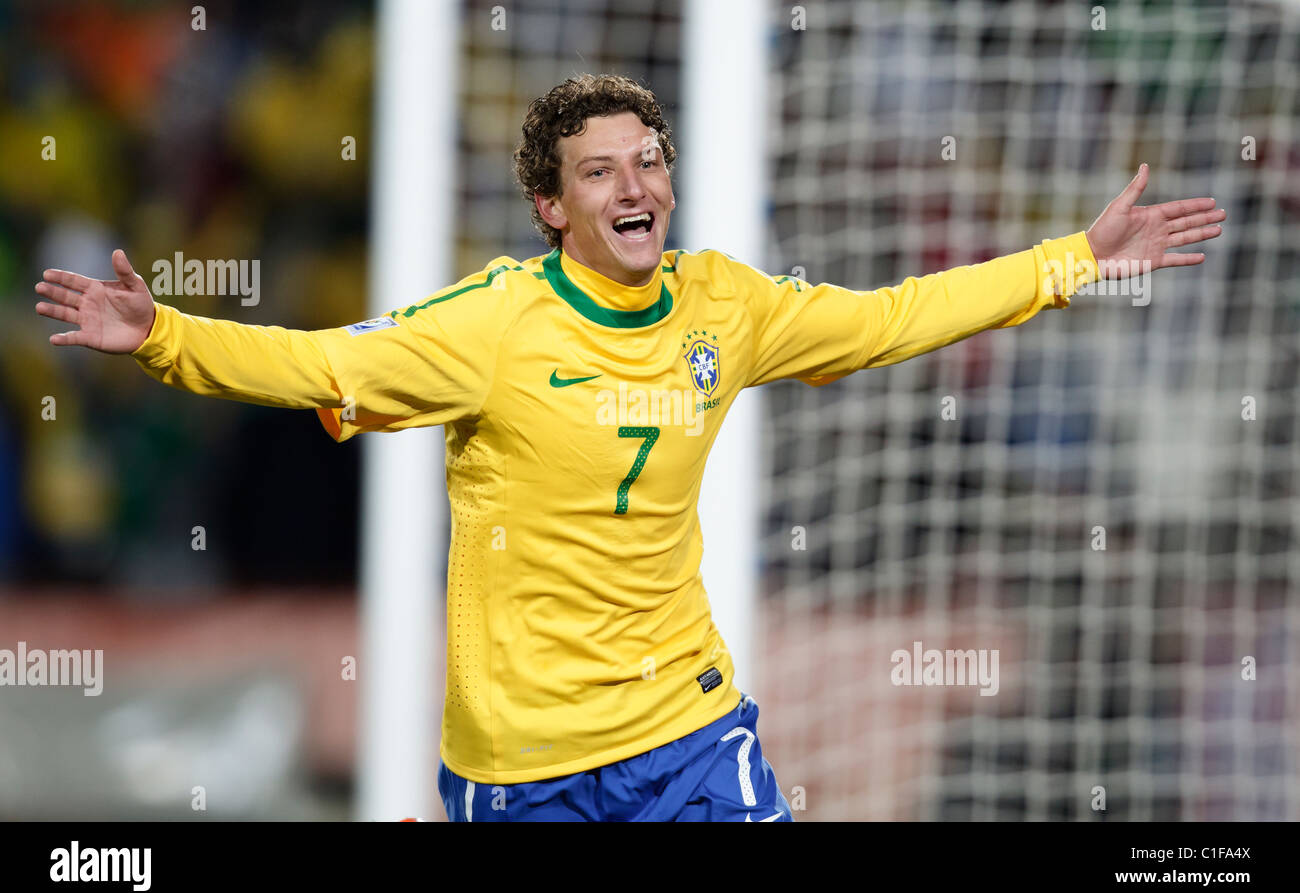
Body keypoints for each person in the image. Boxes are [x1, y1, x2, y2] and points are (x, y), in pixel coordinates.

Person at [34, 73, 1225, 821]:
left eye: (648, 160)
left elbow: (888, 318)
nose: (634, 183)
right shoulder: (489, 324)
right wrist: (161, 337)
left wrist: (1072, 258)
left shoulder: (724, 304)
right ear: (554, 207)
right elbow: (315, 365)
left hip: (686, 732)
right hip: (524, 763)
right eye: (600, 169)